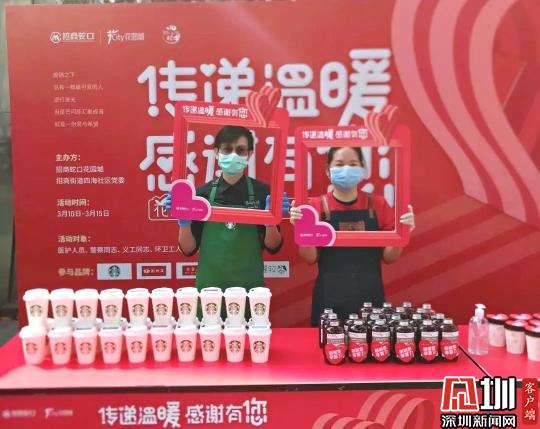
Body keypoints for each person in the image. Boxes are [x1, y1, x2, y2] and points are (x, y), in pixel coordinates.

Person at [289, 146, 415, 325]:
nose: (346, 169)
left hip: (371, 298)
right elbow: (310, 258)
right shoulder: (315, 206)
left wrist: (403, 232)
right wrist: (303, 231)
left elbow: (389, 257)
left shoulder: (378, 205)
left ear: (362, 169)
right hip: (328, 300)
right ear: (328, 170)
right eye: (339, 164)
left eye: (353, 164)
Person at [166, 125, 288, 293]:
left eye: (240, 150)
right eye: (227, 149)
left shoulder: (264, 193)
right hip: (210, 292)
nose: (233, 155)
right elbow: (188, 249)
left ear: (249, 154)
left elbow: (273, 246)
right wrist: (184, 222)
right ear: (216, 152)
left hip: (251, 293)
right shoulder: (201, 195)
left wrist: (271, 222)